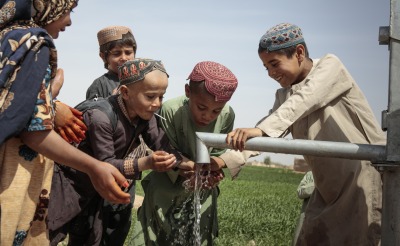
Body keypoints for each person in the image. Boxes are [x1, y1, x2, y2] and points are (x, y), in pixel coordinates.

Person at [226, 23, 386, 245]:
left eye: (274, 64)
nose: (271, 73)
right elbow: (266, 136)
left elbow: (304, 101)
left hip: (362, 181)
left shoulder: (331, 67)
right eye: (266, 68)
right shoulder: (284, 96)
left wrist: (262, 129)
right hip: (325, 188)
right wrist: (221, 161)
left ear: (299, 53)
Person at [0, 1, 130, 245]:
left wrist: (49, 98)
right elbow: (34, 132)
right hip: (13, 170)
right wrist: (94, 167)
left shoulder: (5, 39)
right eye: (67, 10)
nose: (69, 21)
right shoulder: (33, 44)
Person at [48, 58, 187, 246]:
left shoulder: (144, 115)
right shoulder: (100, 116)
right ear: (125, 92)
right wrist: (146, 163)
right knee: (45, 235)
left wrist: (192, 165)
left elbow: (164, 146)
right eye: (150, 96)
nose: (157, 104)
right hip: (65, 185)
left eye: (161, 97)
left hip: (93, 189)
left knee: (89, 240)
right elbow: (105, 165)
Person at [134, 61, 256, 245]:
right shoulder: (170, 110)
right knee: (157, 234)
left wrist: (213, 171)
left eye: (216, 110)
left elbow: (219, 153)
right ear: (188, 92)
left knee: (199, 234)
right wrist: (191, 168)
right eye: (201, 108)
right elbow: (165, 150)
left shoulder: (227, 115)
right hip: (166, 183)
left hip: (203, 186)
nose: (208, 116)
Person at [86, 25, 137, 100]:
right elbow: (93, 110)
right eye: (116, 54)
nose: (124, 58)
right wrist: (112, 100)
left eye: (128, 53)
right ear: (103, 56)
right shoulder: (99, 85)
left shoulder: (142, 81)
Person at [292, 171, 314, 246]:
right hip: (306, 217)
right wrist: (317, 184)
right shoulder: (311, 174)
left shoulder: (337, 175)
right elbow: (300, 192)